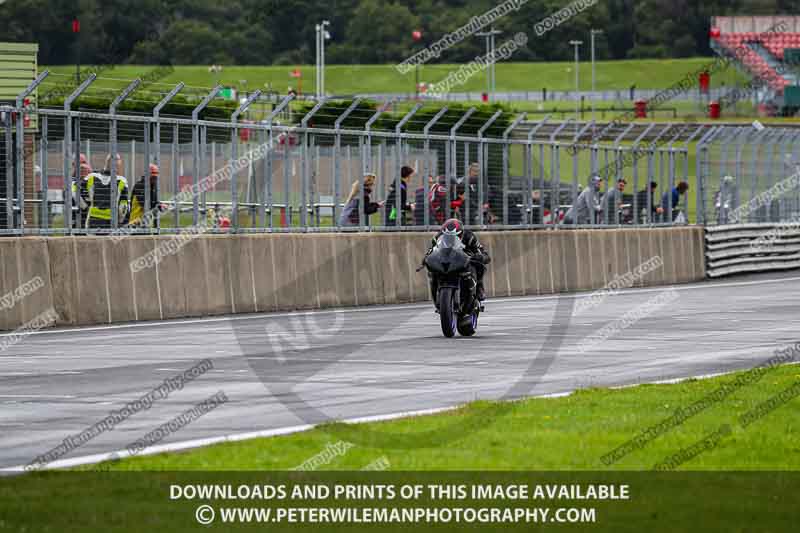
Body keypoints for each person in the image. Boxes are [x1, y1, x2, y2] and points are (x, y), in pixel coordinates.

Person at [425, 218, 491, 302]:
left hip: (465, 260)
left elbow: (483, 252)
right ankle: (436, 296)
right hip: (446, 261)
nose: (451, 238)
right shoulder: (437, 238)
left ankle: (479, 286)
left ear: (461, 233)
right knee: (432, 272)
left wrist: (481, 256)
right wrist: (427, 258)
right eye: (448, 236)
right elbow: (431, 251)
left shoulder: (469, 237)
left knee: (479, 265)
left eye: (455, 236)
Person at [85, 154, 129, 230]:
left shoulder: (91, 177)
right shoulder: (121, 181)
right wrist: (121, 220)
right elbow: (123, 206)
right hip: (111, 221)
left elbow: (76, 189)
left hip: (93, 220)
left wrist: (84, 206)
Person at [127, 163, 163, 229]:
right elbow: (146, 204)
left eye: (156, 177)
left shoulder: (152, 187)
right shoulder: (140, 186)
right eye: (153, 177)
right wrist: (159, 206)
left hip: (145, 224)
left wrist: (160, 205)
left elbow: (153, 202)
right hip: (135, 224)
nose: (154, 180)